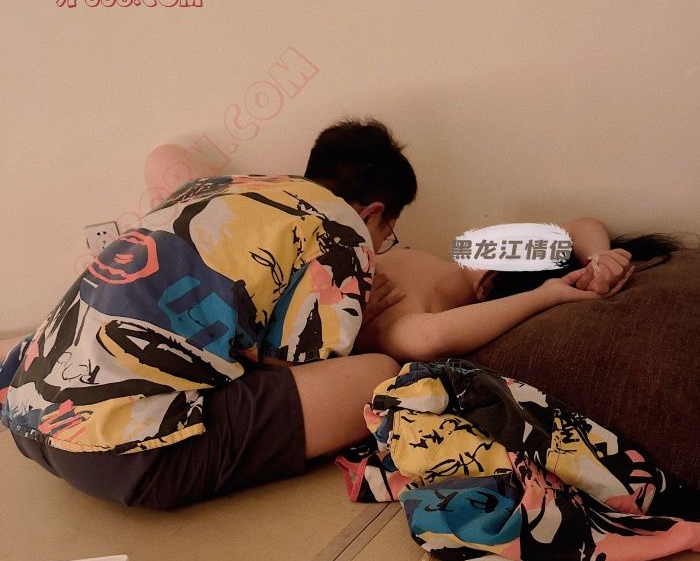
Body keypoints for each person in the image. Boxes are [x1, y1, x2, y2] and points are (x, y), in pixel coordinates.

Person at [0, 119, 417, 509]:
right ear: (372, 213)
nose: (381, 246)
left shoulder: (219, 187)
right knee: (377, 375)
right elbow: (297, 371)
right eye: (388, 234)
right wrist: (359, 320)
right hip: (122, 455)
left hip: (28, 415)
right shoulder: (342, 230)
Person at [353, 219, 643, 361]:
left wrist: (549, 294)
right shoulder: (466, 258)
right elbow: (581, 226)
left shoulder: (403, 319)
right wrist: (599, 259)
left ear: (487, 287)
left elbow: (433, 337)